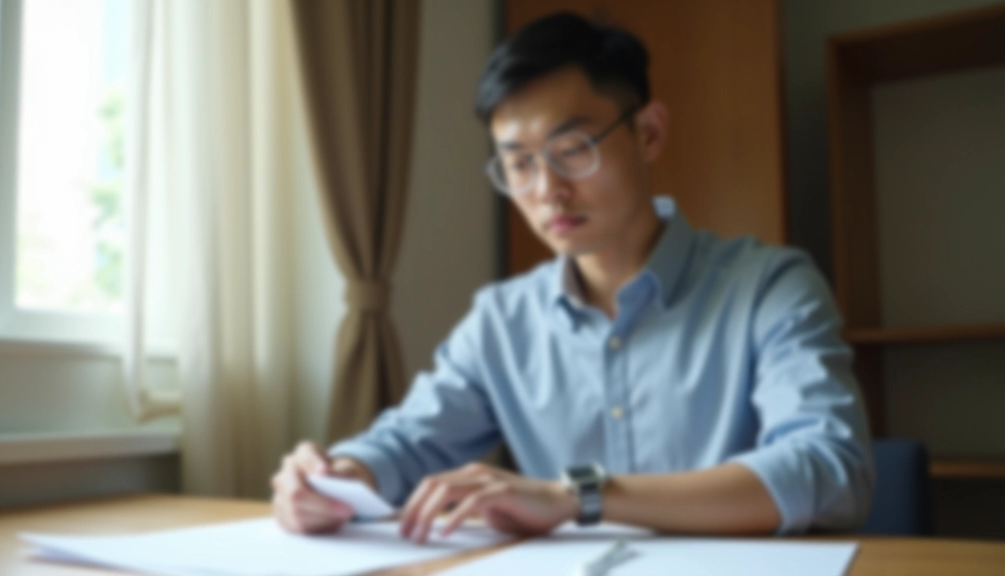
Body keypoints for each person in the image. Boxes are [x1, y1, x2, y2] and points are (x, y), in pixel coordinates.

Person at [271, 12, 873, 542]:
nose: (548, 190)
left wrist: (575, 495)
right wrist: (337, 477)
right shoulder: (502, 321)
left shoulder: (769, 287)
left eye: (574, 147)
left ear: (649, 132)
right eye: (519, 164)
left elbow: (830, 470)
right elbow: (407, 443)